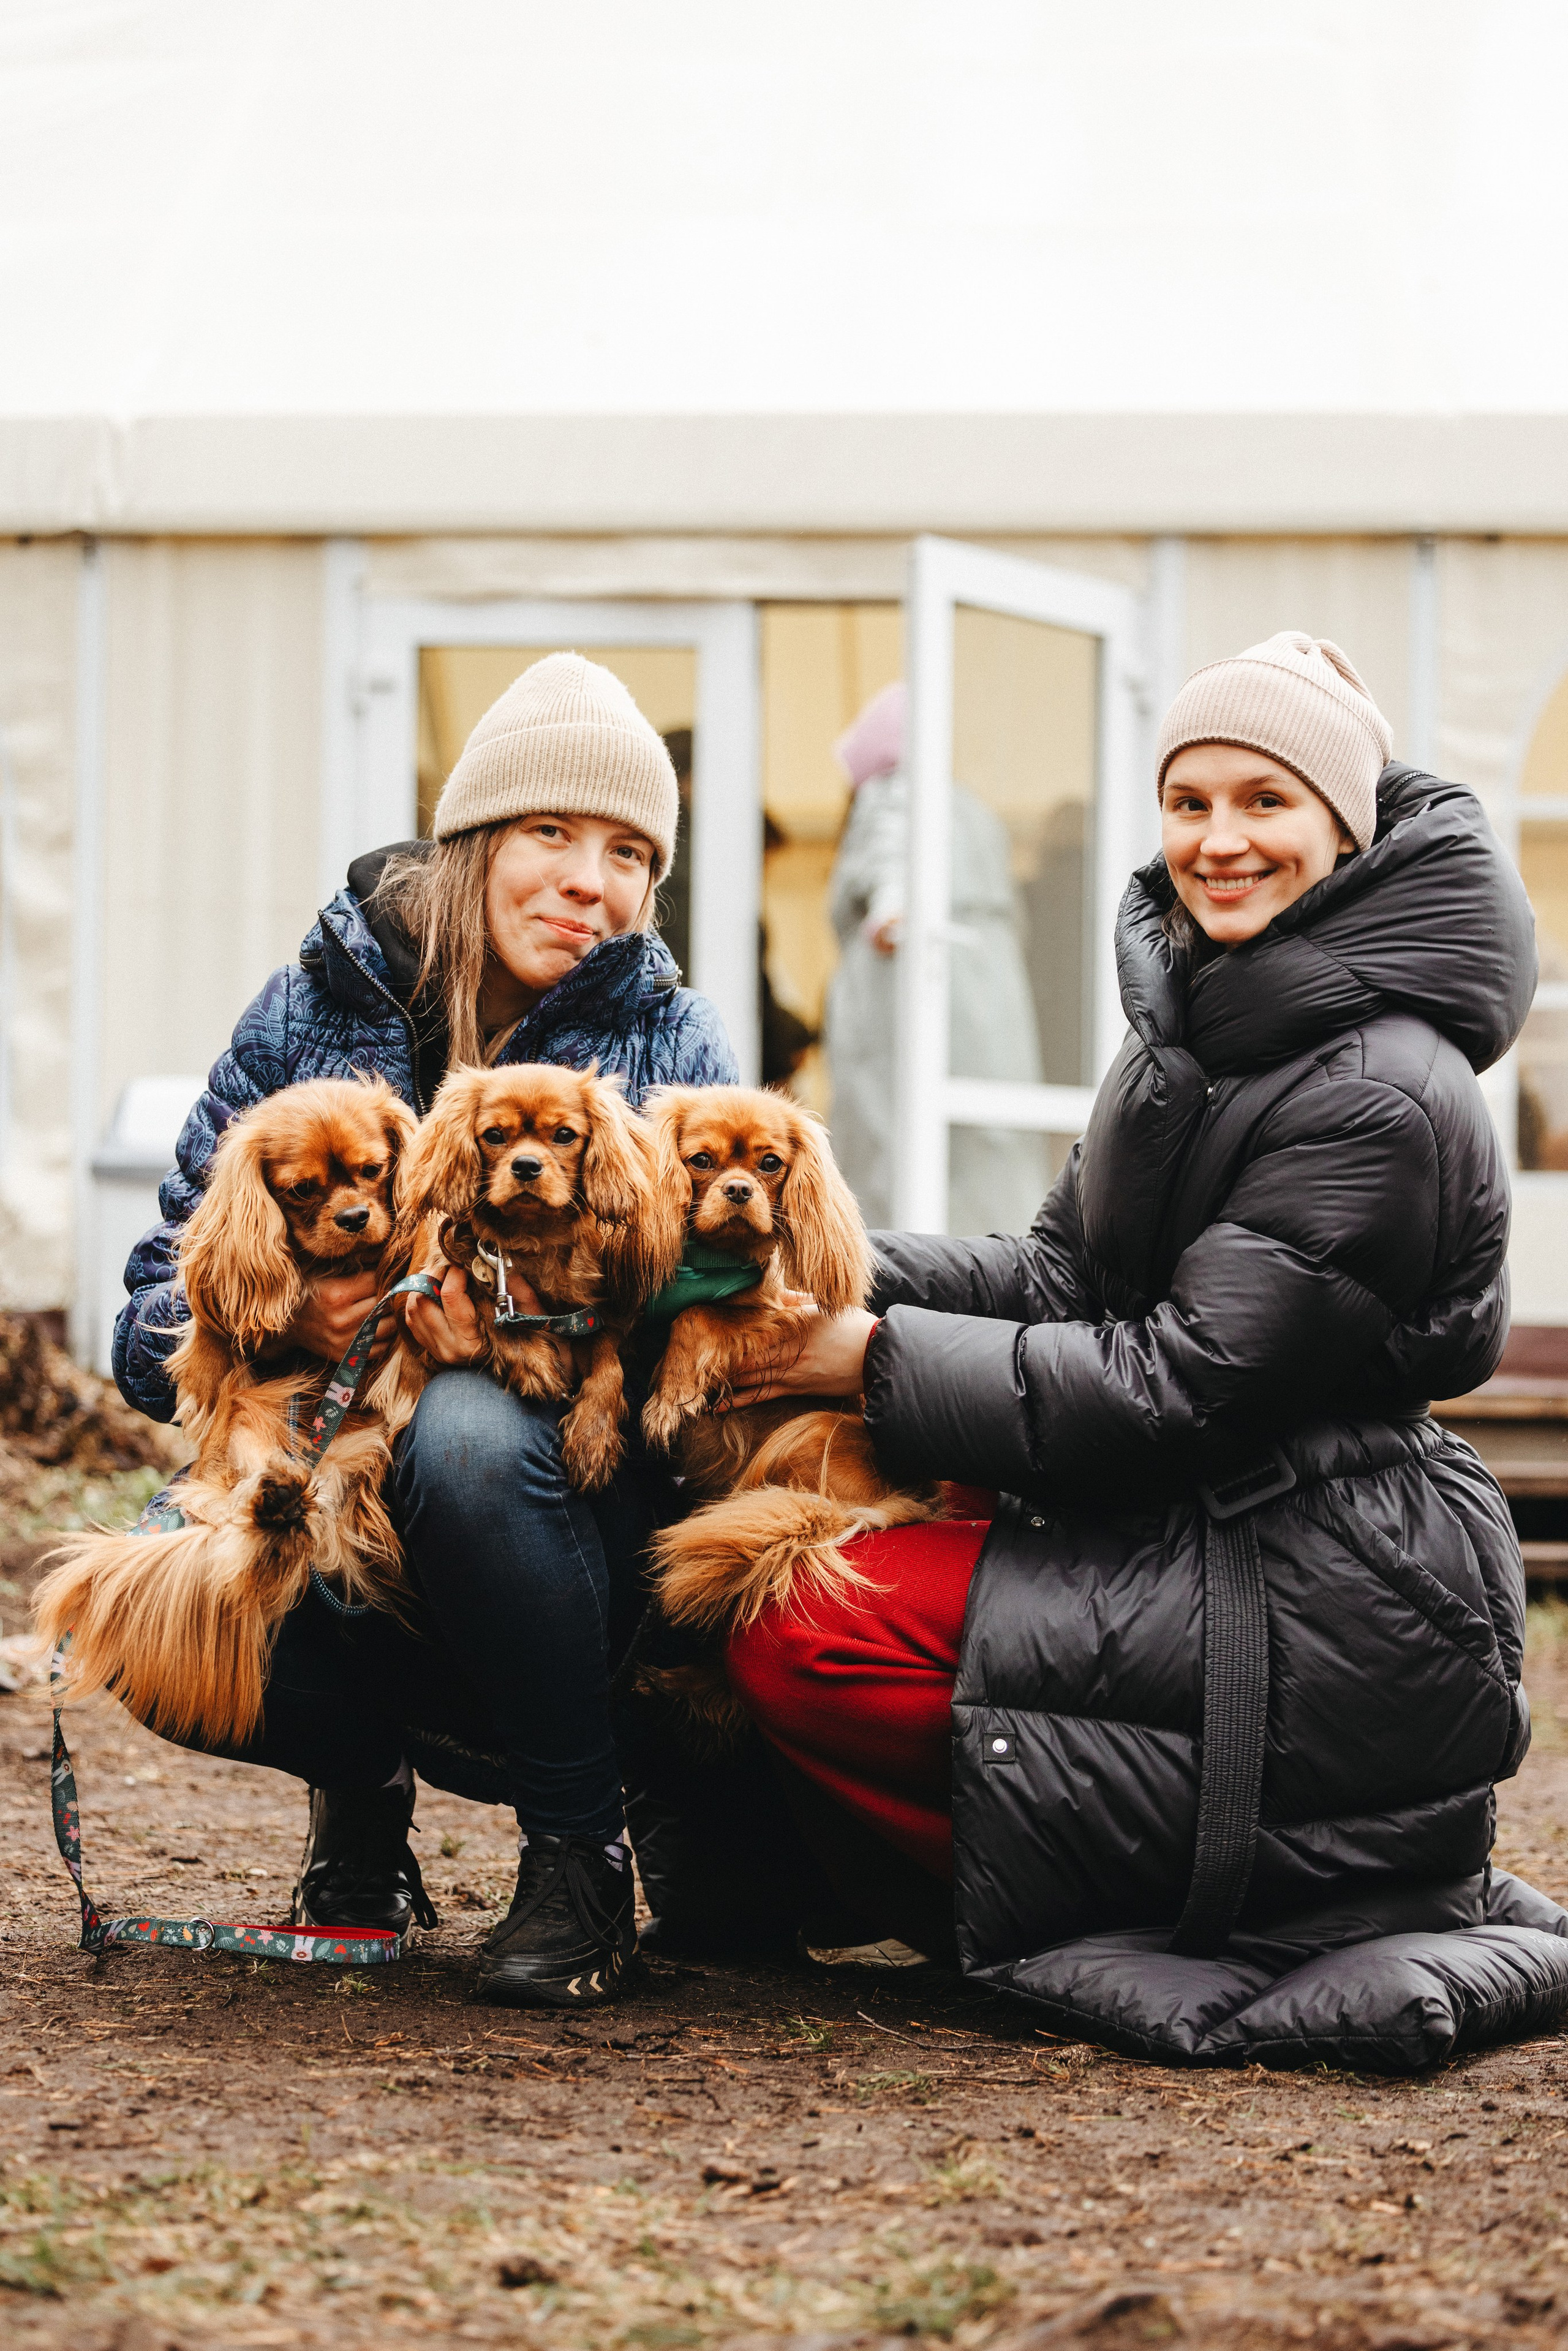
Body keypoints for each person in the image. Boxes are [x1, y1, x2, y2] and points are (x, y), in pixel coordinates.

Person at [713, 632, 1568, 2068]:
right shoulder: (1203, 1025)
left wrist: (863, 1361)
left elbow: (1177, 1390)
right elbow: (1057, 1276)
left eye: (1263, 802)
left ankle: (1081, 1881)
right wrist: (812, 1271)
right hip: (1200, 1524)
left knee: (802, 1620)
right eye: (1188, 802)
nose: (1218, 841)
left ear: (1343, 830)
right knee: (759, 1530)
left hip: (1307, 1585)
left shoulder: (1375, 1091)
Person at [113, 653, 737, 2006]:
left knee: (462, 1433)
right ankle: (362, 1795)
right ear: (474, 842)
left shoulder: (672, 1047)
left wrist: (542, 1325)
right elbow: (144, 1311)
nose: (591, 879)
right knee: (139, 1607)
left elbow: (711, 1307)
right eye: (553, 833)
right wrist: (297, 1305)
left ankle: (579, 1852)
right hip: (334, 1477)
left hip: (580, 1509)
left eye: (630, 851)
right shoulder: (309, 1010)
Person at [822, 682, 1045, 1232]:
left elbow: (897, 854)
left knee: (892, 1152)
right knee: (986, 1155)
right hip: (987, 1002)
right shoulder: (972, 810)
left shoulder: (894, 794)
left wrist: (890, 911)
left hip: (900, 1007)